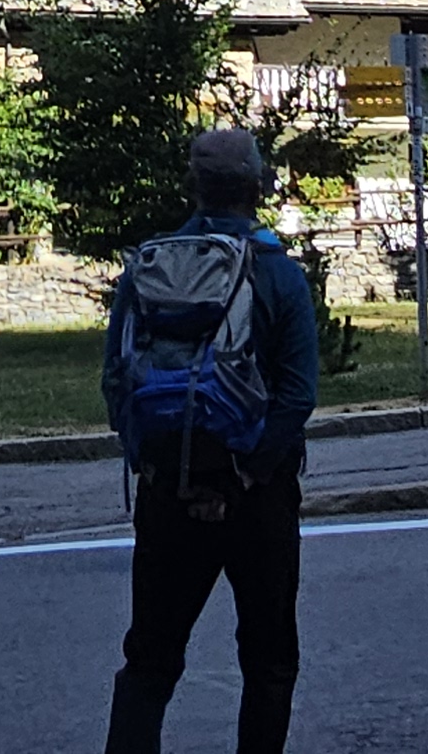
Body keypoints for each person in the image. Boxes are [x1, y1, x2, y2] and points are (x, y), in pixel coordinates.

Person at [102, 128, 321, 754]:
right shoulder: (278, 275)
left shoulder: (147, 269)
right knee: (269, 661)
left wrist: (165, 469)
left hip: (168, 492)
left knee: (150, 661)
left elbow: (117, 380)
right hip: (258, 496)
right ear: (258, 189)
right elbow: (296, 396)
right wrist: (241, 477)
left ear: (192, 188)